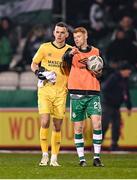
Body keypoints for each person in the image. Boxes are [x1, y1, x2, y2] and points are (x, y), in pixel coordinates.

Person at [31, 22, 71, 166]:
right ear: (53, 33)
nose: (59, 35)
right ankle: (44, 155)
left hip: (61, 92)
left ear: (66, 35)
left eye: (62, 32)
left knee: (57, 125)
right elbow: (34, 63)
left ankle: (54, 158)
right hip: (45, 90)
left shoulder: (70, 51)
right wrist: (38, 73)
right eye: (57, 32)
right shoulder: (44, 47)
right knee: (45, 121)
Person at [63, 27, 104, 167]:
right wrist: (69, 54)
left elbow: (102, 72)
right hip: (76, 94)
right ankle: (82, 159)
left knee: (97, 123)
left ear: (85, 36)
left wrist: (98, 73)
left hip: (93, 93)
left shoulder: (96, 52)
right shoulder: (71, 52)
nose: (76, 40)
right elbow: (64, 62)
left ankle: (97, 157)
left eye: (79, 37)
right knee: (78, 128)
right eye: (75, 38)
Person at [102, 62, 132, 151]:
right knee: (104, 125)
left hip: (116, 107)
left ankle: (114, 144)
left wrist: (128, 106)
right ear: (123, 71)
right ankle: (97, 144)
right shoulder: (113, 77)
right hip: (108, 105)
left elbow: (126, 94)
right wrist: (112, 99)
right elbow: (105, 89)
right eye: (128, 71)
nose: (129, 73)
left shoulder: (125, 79)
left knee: (117, 126)